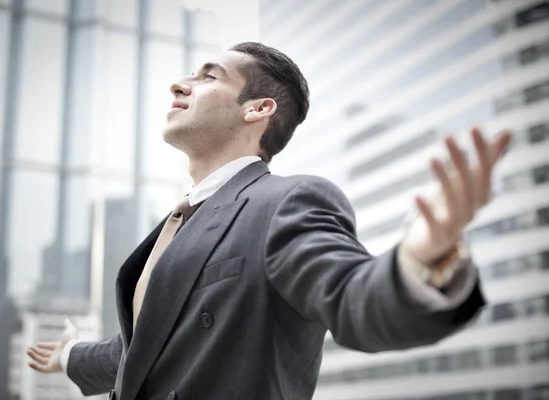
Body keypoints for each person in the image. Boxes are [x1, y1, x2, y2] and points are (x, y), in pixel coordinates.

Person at [26, 42, 511, 400]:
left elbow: (353, 297)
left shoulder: (288, 200)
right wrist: (69, 355)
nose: (180, 84)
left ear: (258, 109)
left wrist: (422, 260)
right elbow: (145, 348)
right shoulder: (177, 224)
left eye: (208, 77)